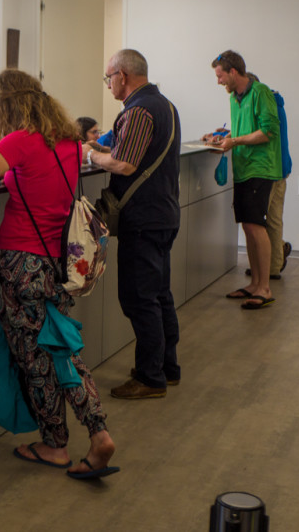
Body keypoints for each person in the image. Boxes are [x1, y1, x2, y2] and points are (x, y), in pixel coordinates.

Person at [0, 69, 118, 480]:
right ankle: (96, 431)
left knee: (35, 360)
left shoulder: (19, 140)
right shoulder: (65, 140)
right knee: (62, 348)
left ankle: (57, 445)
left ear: (7, 106)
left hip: (18, 265)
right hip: (54, 263)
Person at [84, 49, 182, 399]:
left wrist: (90, 155)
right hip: (163, 214)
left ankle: (150, 377)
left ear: (122, 76)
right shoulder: (165, 105)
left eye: (108, 77)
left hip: (144, 219)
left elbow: (124, 164)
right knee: (159, 295)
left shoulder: (139, 110)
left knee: (140, 298)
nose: (108, 84)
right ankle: (166, 367)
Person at [204, 51, 281, 309]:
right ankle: (254, 284)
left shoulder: (261, 92)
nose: (218, 82)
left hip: (261, 169)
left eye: (220, 75)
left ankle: (265, 287)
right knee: (248, 228)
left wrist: (234, 141)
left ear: (233, 72)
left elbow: (269, 131)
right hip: (244, 168)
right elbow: (244, 130)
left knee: (256, 227)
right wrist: (223, 137)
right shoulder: (235, 99)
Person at [242, 72, 292, 280]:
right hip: (281, 168)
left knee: (258, 221)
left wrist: (231, 139)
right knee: (274, 220)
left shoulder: (263, 105)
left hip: (268, 170)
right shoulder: (275, 102)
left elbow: (260, 135)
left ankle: (266, 267)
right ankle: (274, 264)